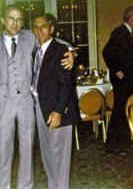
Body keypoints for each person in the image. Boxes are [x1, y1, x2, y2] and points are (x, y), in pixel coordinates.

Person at [0, 4, 75, 189]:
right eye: (11, 18)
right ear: (3, 20)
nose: (15, 22)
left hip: (27, 103)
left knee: (28, 149)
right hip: (4, 103)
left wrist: (72, 52)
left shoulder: (29, 36)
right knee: (3, 150)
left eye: (19, 19)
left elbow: (55, 42)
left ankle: (26, 186)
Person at [32, 13, 79, 189]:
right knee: (47, 156)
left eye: (43, 26)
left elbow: (66, 86)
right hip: (40, 106)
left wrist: (59, 111)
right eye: (36, 26)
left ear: (51, 29)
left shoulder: (60, 50)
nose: (39, 30)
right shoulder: (37, 50)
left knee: (60, 159)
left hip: (56, 110)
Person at [102, 5, 133, 154]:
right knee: (120, 111)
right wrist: (116, 70)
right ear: (131, 18)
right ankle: (113, 145)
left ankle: (124, 142)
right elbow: (106, 52)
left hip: (130, 78)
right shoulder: (119, 32)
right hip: (122, 79)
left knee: (127, 110)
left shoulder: (132, 34)